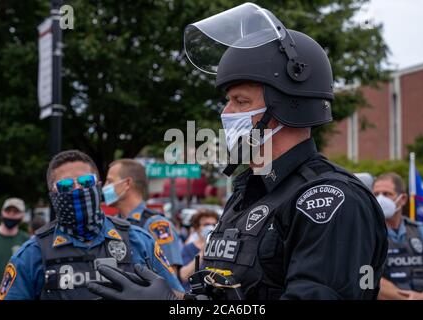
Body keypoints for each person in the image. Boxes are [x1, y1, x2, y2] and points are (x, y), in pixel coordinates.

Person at [87, 3, 388, 300]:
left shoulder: (329, 201)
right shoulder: (248, 193)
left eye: (241, 102)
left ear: (287, 107)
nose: (226, 112)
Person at [0, 150, 183, 300]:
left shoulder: (140, 242)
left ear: (97, 185)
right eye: (66, 186)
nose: (78, 189)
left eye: (86, 182)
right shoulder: (31, 254)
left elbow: (180, 300)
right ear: (53, 194)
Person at [103, 159, 183, 272]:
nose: (105, 187)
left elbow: (170, 277)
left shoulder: (156, 225)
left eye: (109, 181)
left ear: (127, 183)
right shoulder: (110, 223)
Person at [373, 173, 423, 300]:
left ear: (403, 199)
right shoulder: (368, 235)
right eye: (376, 194)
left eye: (387, 194)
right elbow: (365, 278)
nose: (380, 199)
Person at [0, 198, 29, 293]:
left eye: (16, 211)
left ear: (23, 215)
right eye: (8, 210)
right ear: (2, 212)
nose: (11, 214)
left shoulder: (27, 241)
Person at [179, 209, 219, 288]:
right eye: (206, 225)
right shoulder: (188, 248)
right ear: (197, 228)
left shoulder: (220, 248)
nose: (211, 227)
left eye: (214, 225)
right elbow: (184, 276)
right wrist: (203, 251)